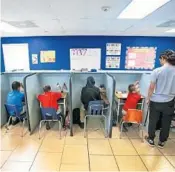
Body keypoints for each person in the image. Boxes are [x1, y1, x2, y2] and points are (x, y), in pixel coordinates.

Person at [145, 50, 175, 148]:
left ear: (163, 58)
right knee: (166, 122)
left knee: (153, 120)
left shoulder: (157, 71)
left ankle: (151, 139)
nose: (160, 62)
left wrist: (148, 98)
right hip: (169, 101)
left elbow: (151, 87)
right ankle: (162, 141)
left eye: (160, 60)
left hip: (156, 101)